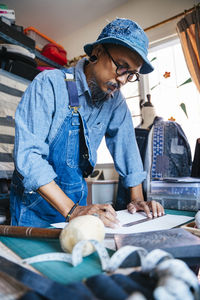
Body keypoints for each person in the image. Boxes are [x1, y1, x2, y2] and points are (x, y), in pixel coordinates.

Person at [10, 18, 164, 228]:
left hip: (77, 207)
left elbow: (127, 147)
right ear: (98, 52)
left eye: (131, 75)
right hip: (35, 209)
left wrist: (136, 199)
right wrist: (72, 210)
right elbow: (29, 157)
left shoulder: (114, 101)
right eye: (121, 67)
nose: (122, 80)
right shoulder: (50, 84)